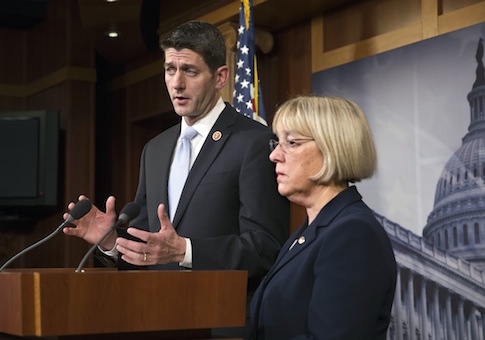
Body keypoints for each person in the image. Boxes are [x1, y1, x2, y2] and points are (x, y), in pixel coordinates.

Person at [63, 21, 290, 293]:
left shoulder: (253, 141)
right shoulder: (155, 149)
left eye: (190, 71)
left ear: (220, 77)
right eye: (170, 70)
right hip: (159, 315)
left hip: (223, 321)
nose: (177, 83)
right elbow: (148, 249)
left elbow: (266, 248)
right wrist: (110, 240)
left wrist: (185, 250)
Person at [249, 96, 397, 339]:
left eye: (292, 142)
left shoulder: (353, 234)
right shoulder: (310, 231)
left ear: (333, 148)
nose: (274, 155)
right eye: (277, 142)